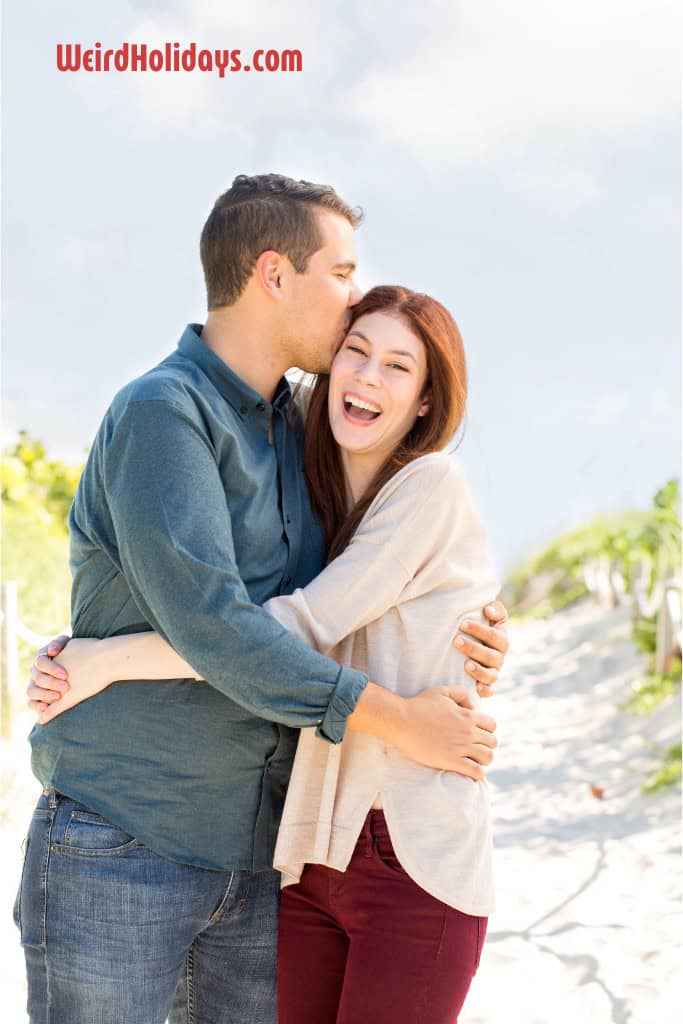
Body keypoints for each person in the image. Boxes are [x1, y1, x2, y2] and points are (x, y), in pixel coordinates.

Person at [23, 175, 508, 1024]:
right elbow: (215, 624)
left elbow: (363, 592)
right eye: (343, 272)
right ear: (274, 275)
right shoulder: (163, 415)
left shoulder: (301, 430)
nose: (354, 300)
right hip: (124, 844)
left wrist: (476, 636)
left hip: (259, 866)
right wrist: (398, 716)